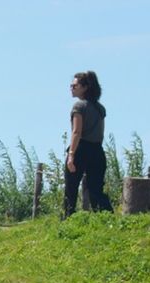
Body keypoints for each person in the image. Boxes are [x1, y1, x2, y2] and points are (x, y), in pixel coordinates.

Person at [65, 71, 112, 214]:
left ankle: (69, 218)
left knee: (71, 188)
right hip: (97, 149)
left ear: (85, 87)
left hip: (81, 148)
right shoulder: (100, 108)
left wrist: (72, 154)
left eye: (75, 85)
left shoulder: (79, 106)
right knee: (96, 188)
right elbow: (101, 133)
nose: (71, 88)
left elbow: (76, 132)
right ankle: (105, 216)